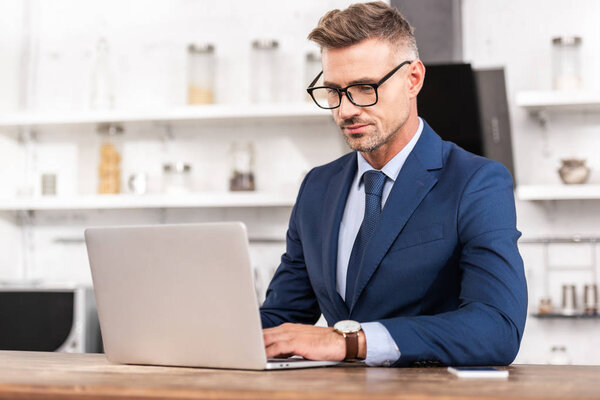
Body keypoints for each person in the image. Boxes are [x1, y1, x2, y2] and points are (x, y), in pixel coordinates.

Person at [260, 1, 527, 367]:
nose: (345, 110)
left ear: (413, 79)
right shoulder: (317, 187)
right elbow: (280, 318)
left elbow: (497, 328)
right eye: (334, 91)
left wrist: (351, 342)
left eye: (364, 88)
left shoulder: (476, 182)